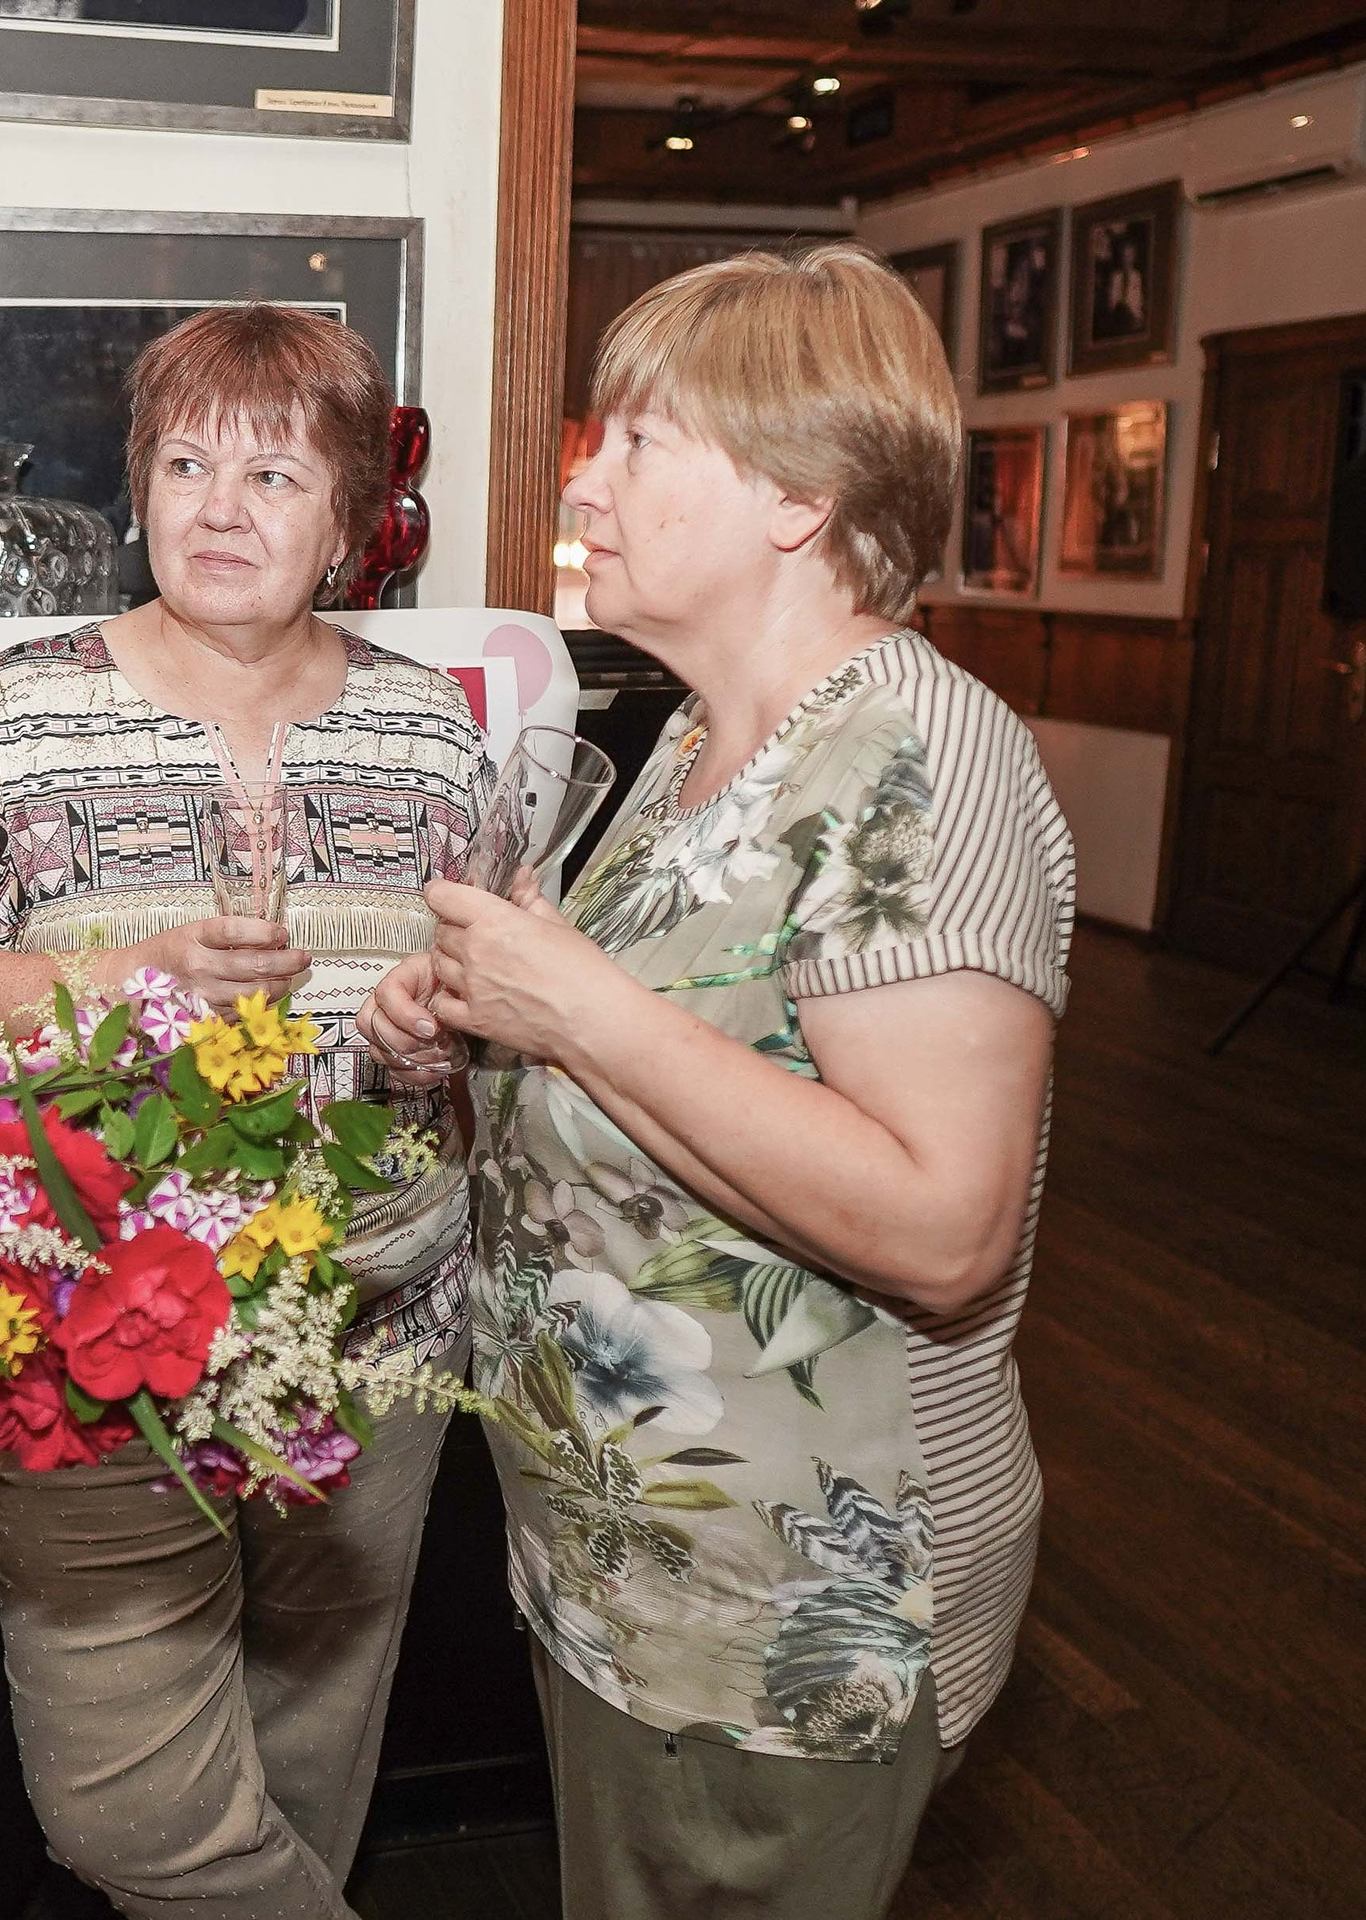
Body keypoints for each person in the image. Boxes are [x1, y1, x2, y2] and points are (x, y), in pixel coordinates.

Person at [360, 242, 1074, 1920]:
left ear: (799, 497)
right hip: (640, 1577)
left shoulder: (919, 752)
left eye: (637, 443)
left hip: (803, 1608)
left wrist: (581, 1009)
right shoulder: (693, 742)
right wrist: (473, 1025)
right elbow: (676, 1057)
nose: (585, 481)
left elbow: (943, 1222)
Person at [0, 303, 483, 1919]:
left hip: (379, 1315)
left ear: (352, 521)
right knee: (127, 1799)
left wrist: (438, 1038)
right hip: (97, 1319)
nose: (221, 508)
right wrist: (120, 978)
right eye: (187, 463)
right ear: (139, 490)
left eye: (276, 475)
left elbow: (508, 997)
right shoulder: (20, 709)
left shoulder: (433, 729)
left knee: (308, 1744)